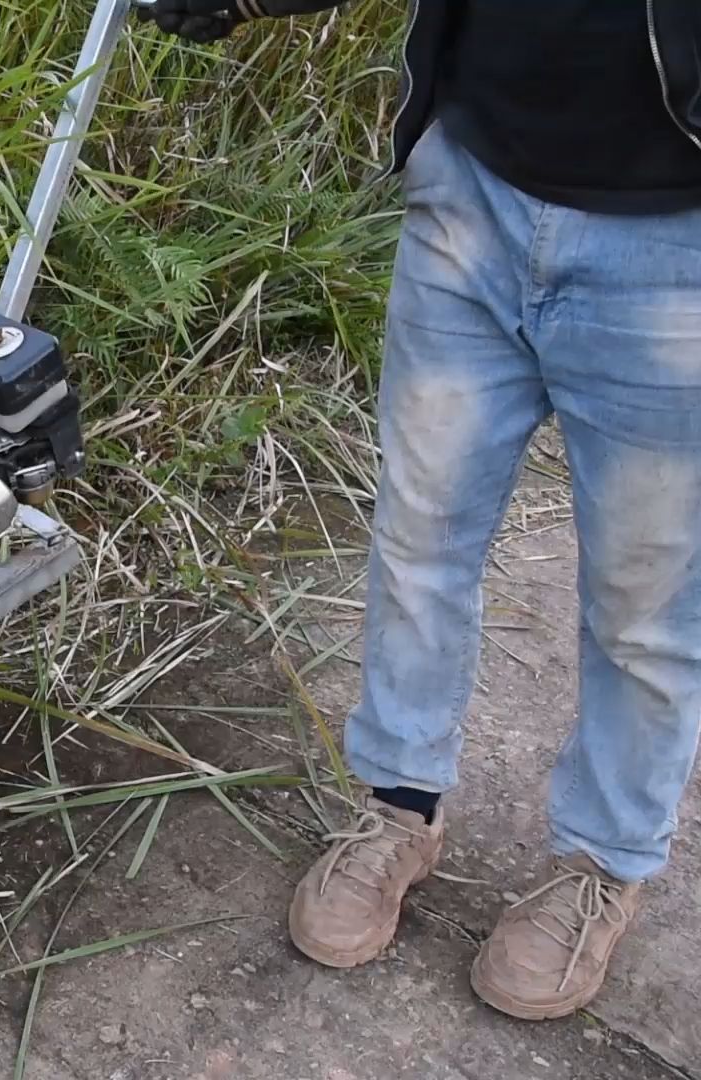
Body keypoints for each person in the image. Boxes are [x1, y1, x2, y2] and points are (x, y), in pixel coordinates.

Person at [143, 0, 701, 1021]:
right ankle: (400, 806)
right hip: (474, 185)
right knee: (418, 534)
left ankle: (605, 863)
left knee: (646, 602)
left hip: (675, 239)